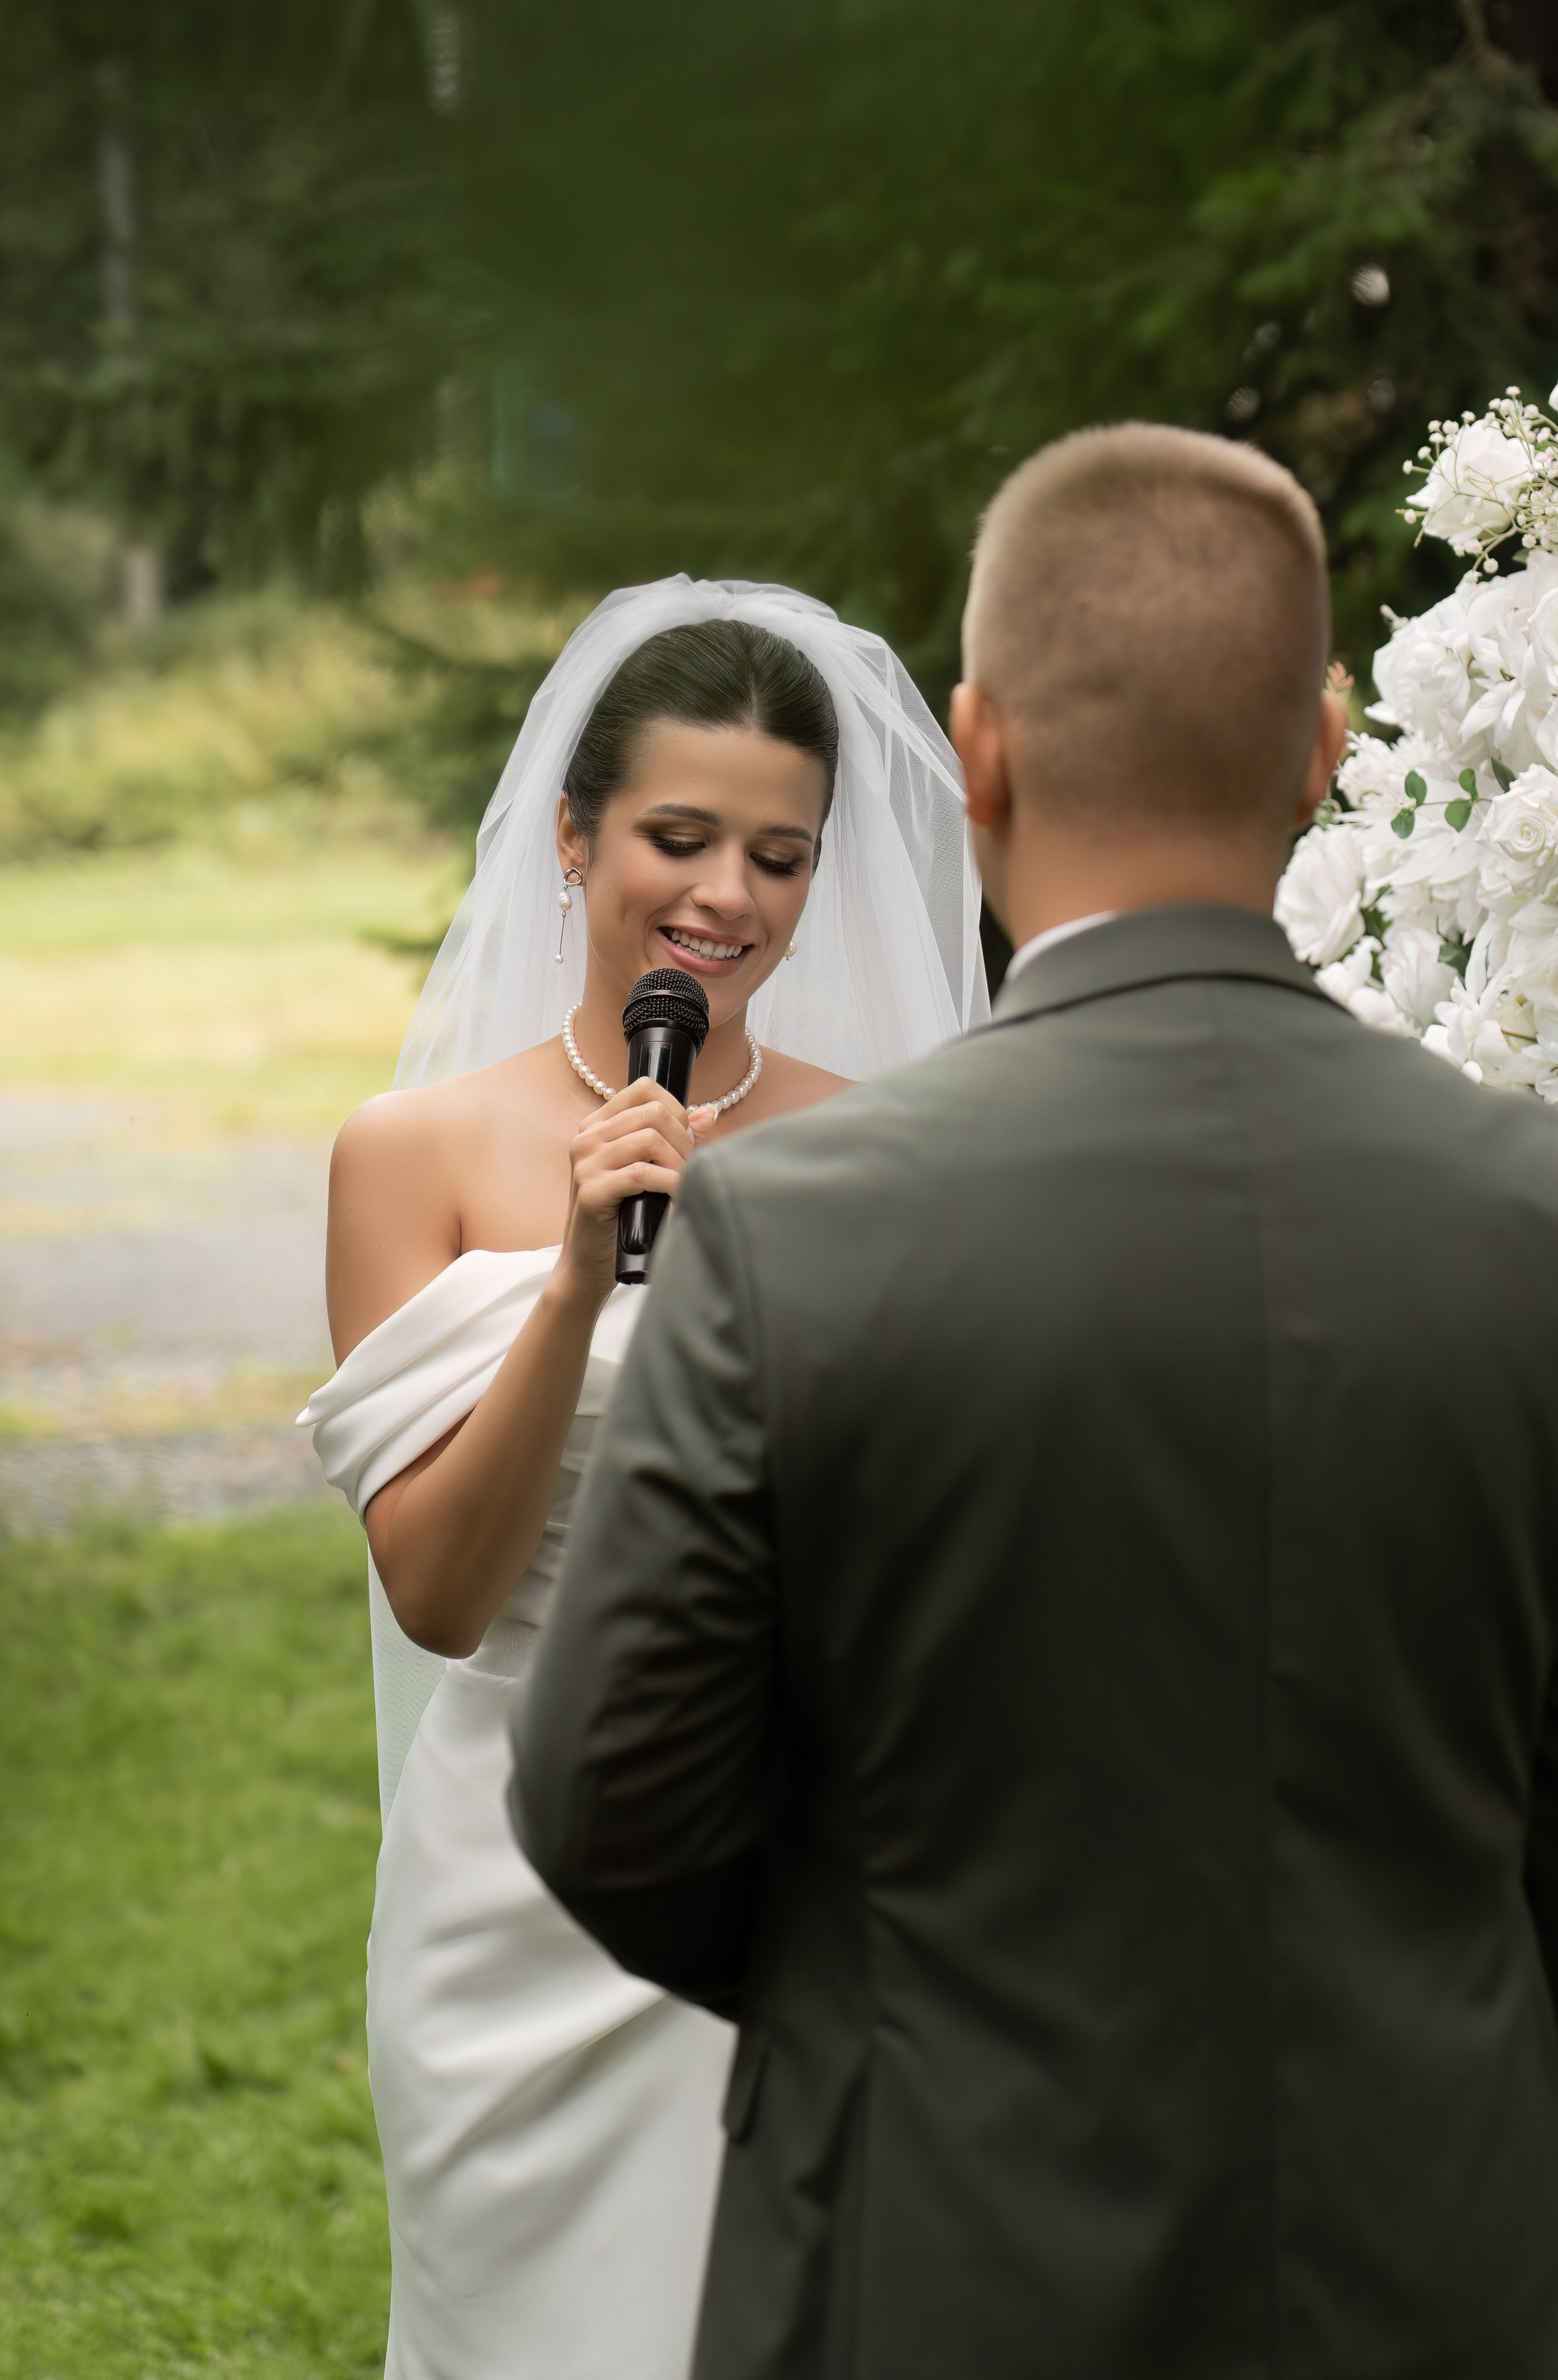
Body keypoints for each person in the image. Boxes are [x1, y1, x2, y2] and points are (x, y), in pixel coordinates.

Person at [510, 428, 1558, 2379]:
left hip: (939, 2261)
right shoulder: (1551, 1227)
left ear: (977, 745)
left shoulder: (791, 1232)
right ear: (1329, 744)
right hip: (1436, 2274)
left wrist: (903, 2018)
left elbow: (610, 1799)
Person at [297, 578, 987, 2380]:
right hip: (509, 1879)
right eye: (680, 837)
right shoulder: (412, 1156)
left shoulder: (886, 1149)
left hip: (797, 1873)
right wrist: (575, 1272)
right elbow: (441, 1590)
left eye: (780, 855)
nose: (726, 898)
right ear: (571, 832)